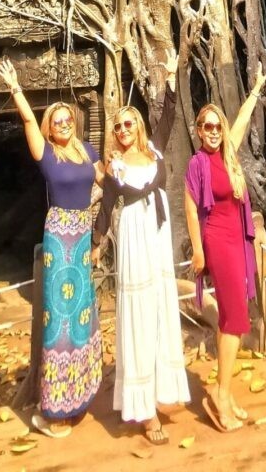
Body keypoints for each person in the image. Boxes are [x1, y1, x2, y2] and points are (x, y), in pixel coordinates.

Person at [0, 58, 103, 439]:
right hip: (60, 236)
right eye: (56, 121)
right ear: (49, 128)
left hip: (83, 234)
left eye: (67, 120)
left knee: (81, 316)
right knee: (58, 319)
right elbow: (28, 121)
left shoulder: (89, 153)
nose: (62, 125)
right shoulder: (48, 156)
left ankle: (80, 394)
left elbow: (108, 179)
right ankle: (55, 408)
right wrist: (16, 89)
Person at [93, 49, 190, 444]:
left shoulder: (157, 150)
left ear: (139, 127)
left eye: (129, 123)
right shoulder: (114, 168)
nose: (124, 130)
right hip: (133, 234)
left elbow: (169, 114)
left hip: (157, 235)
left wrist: (169, 75)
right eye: (118, 127)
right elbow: (106, 208)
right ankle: (143, 410)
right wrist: (97, 243)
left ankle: (162, 391)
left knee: (160, 308)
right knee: (135, 310)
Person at [184, 64, 266, 433]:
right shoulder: (197, 163)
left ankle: (226, 391)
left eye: (218, 126)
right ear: (198, 131)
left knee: (232, 318)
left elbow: (243, 120)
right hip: (217, 240)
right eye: (208, 127)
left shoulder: (228, 153)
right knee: (235, 317)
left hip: (238, 238)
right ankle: (220, 394)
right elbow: (189, 206)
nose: (215, 132)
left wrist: (255, 90)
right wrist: (199, 251)